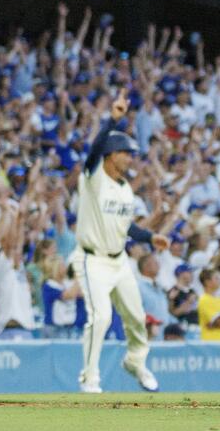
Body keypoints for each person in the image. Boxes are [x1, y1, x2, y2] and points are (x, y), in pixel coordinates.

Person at [69, 88, 163, 393]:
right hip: (91, 258)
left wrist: (150, 237)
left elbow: (125, 228)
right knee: (101, 317)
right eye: (125, 152)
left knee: (137, 317)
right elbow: (93, 150)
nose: (129, 158)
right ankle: (90, 379)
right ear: (111, 155)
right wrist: (112, 120)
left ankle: (136, 361)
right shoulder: (93, 178)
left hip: (118, 259)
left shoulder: (125, 188)